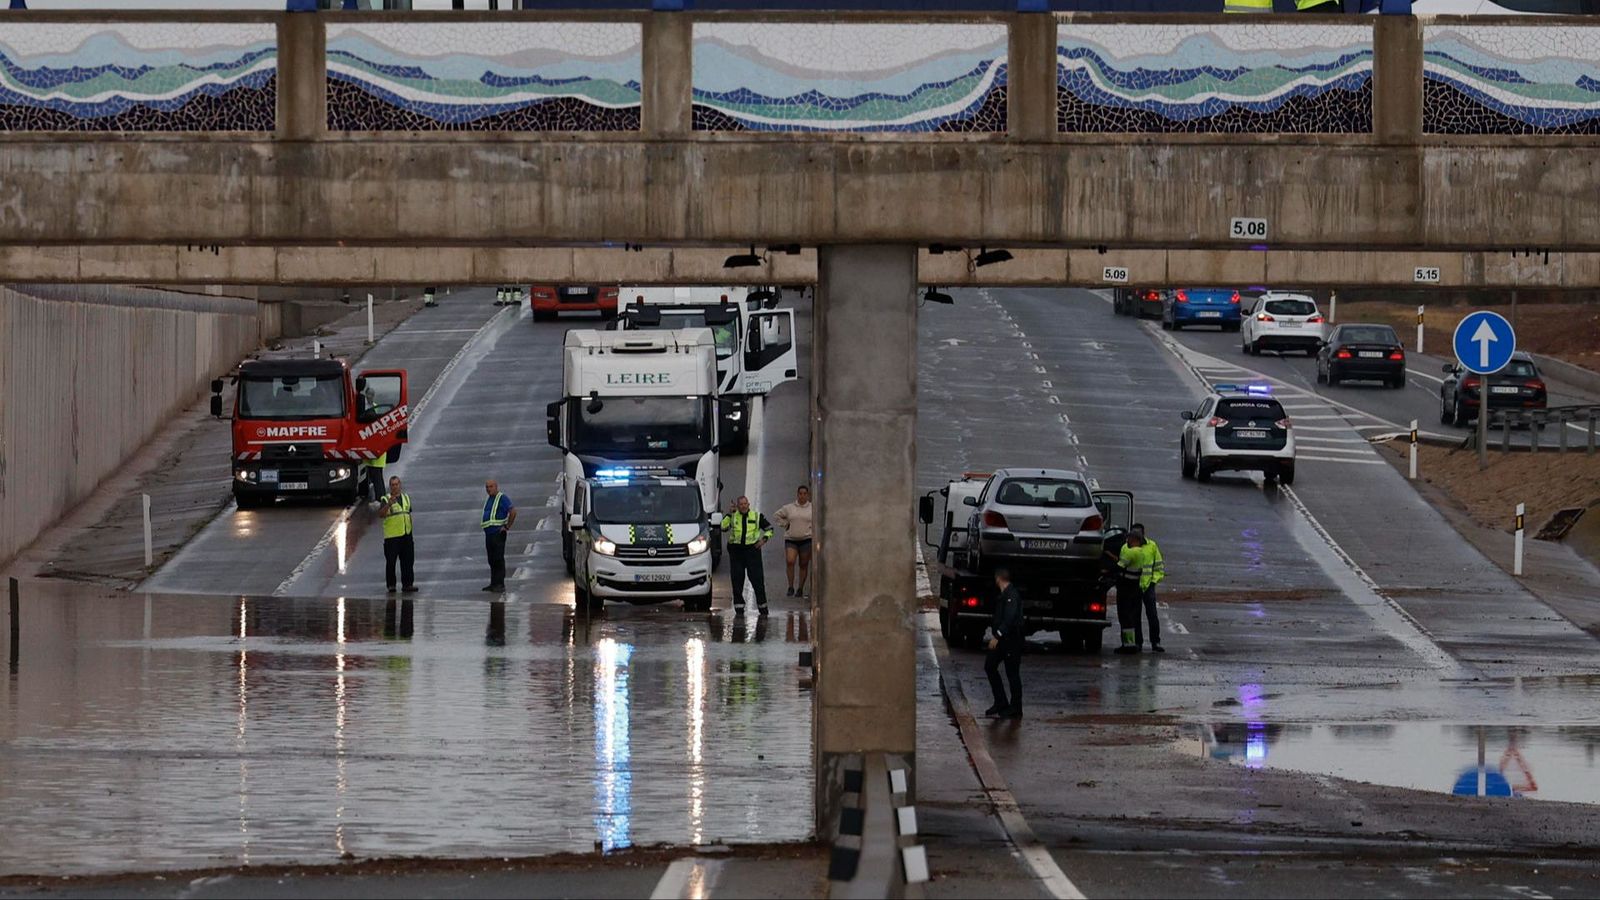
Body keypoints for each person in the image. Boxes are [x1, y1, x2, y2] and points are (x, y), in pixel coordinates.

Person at [721, 495, 773, 616]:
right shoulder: (733, 516)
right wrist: (729, 514)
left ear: (748, 505)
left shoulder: (756, 516)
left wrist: (763, 540)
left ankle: (763, 607)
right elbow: (723, 527)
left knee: (757, 580)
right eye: (741, 504)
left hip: (752, 551)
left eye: (745, 504)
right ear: (738, 506)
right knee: (737, 580)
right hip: (736, 551)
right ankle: (739, 609)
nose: (744, 506)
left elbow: (770, 529)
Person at [984, 568, 1024, 719]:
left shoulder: (1011, 596)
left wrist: (997, 635)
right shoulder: (1004, 595)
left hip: (1011, 640)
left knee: (1012, 673)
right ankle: (1000, 702)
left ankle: (1015, 708)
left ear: (998, 579)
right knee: (990, 666)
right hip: (1003, 640)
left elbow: (1010, 618)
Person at [377, 475, 417, 593]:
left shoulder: (406, 498)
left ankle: (408, 584)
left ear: (400, 485)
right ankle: (391, 585)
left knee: (408, 561)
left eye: (397, 484)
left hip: (406, 534)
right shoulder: (385, 499)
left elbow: (408, 513)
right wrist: (388, 504)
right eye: (392, 485)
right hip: (392, 536)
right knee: (391, 562)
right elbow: (381, 515)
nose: (395, 487)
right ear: (390, 487)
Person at [773, 485, 814, 598]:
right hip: (791, 539)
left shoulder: (812, 508)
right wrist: (785, 524)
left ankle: (800, 588)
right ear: (797, 494)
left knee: (803, 564)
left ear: (808, 495)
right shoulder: (789, 508)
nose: (802, 496)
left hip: (806, 539)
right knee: (790, 561)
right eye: (800, 494)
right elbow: (776, 515)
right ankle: (790, 586)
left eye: (805, 494)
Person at [1131, 523, 1166, 653]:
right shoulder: (1128, 546)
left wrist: (1153, 581)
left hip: (1148, 586)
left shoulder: (1151, 546)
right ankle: (1137, 643)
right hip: (1133, 585)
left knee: (1152, 615)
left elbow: (1158, 567)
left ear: (1143, 534)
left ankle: (1155, 642)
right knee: (1135, 616)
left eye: (1138, 534)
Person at [1115, 530, 1147, 654]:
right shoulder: (1141, 552)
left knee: (1125, 617)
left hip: (1126, 588)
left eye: (1129, 539)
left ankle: (1128, 645)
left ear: (1134, 540)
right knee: (1133, 616)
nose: (1127, 541)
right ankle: (1135, 643)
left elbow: (1119, 566)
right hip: (1135, 587)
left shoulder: (1132, 552)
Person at [481, 480, 517, 592]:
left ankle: (500, 584)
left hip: (498, 533)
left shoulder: (502, 498)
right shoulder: (489, 499)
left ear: (496, 487)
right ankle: (493, 583)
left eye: (491, 487)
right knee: (491, 559)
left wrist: (507, 527)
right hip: (489, 534)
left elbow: (513, 512)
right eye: (487, 487)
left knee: (498, 559)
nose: (488, 489)